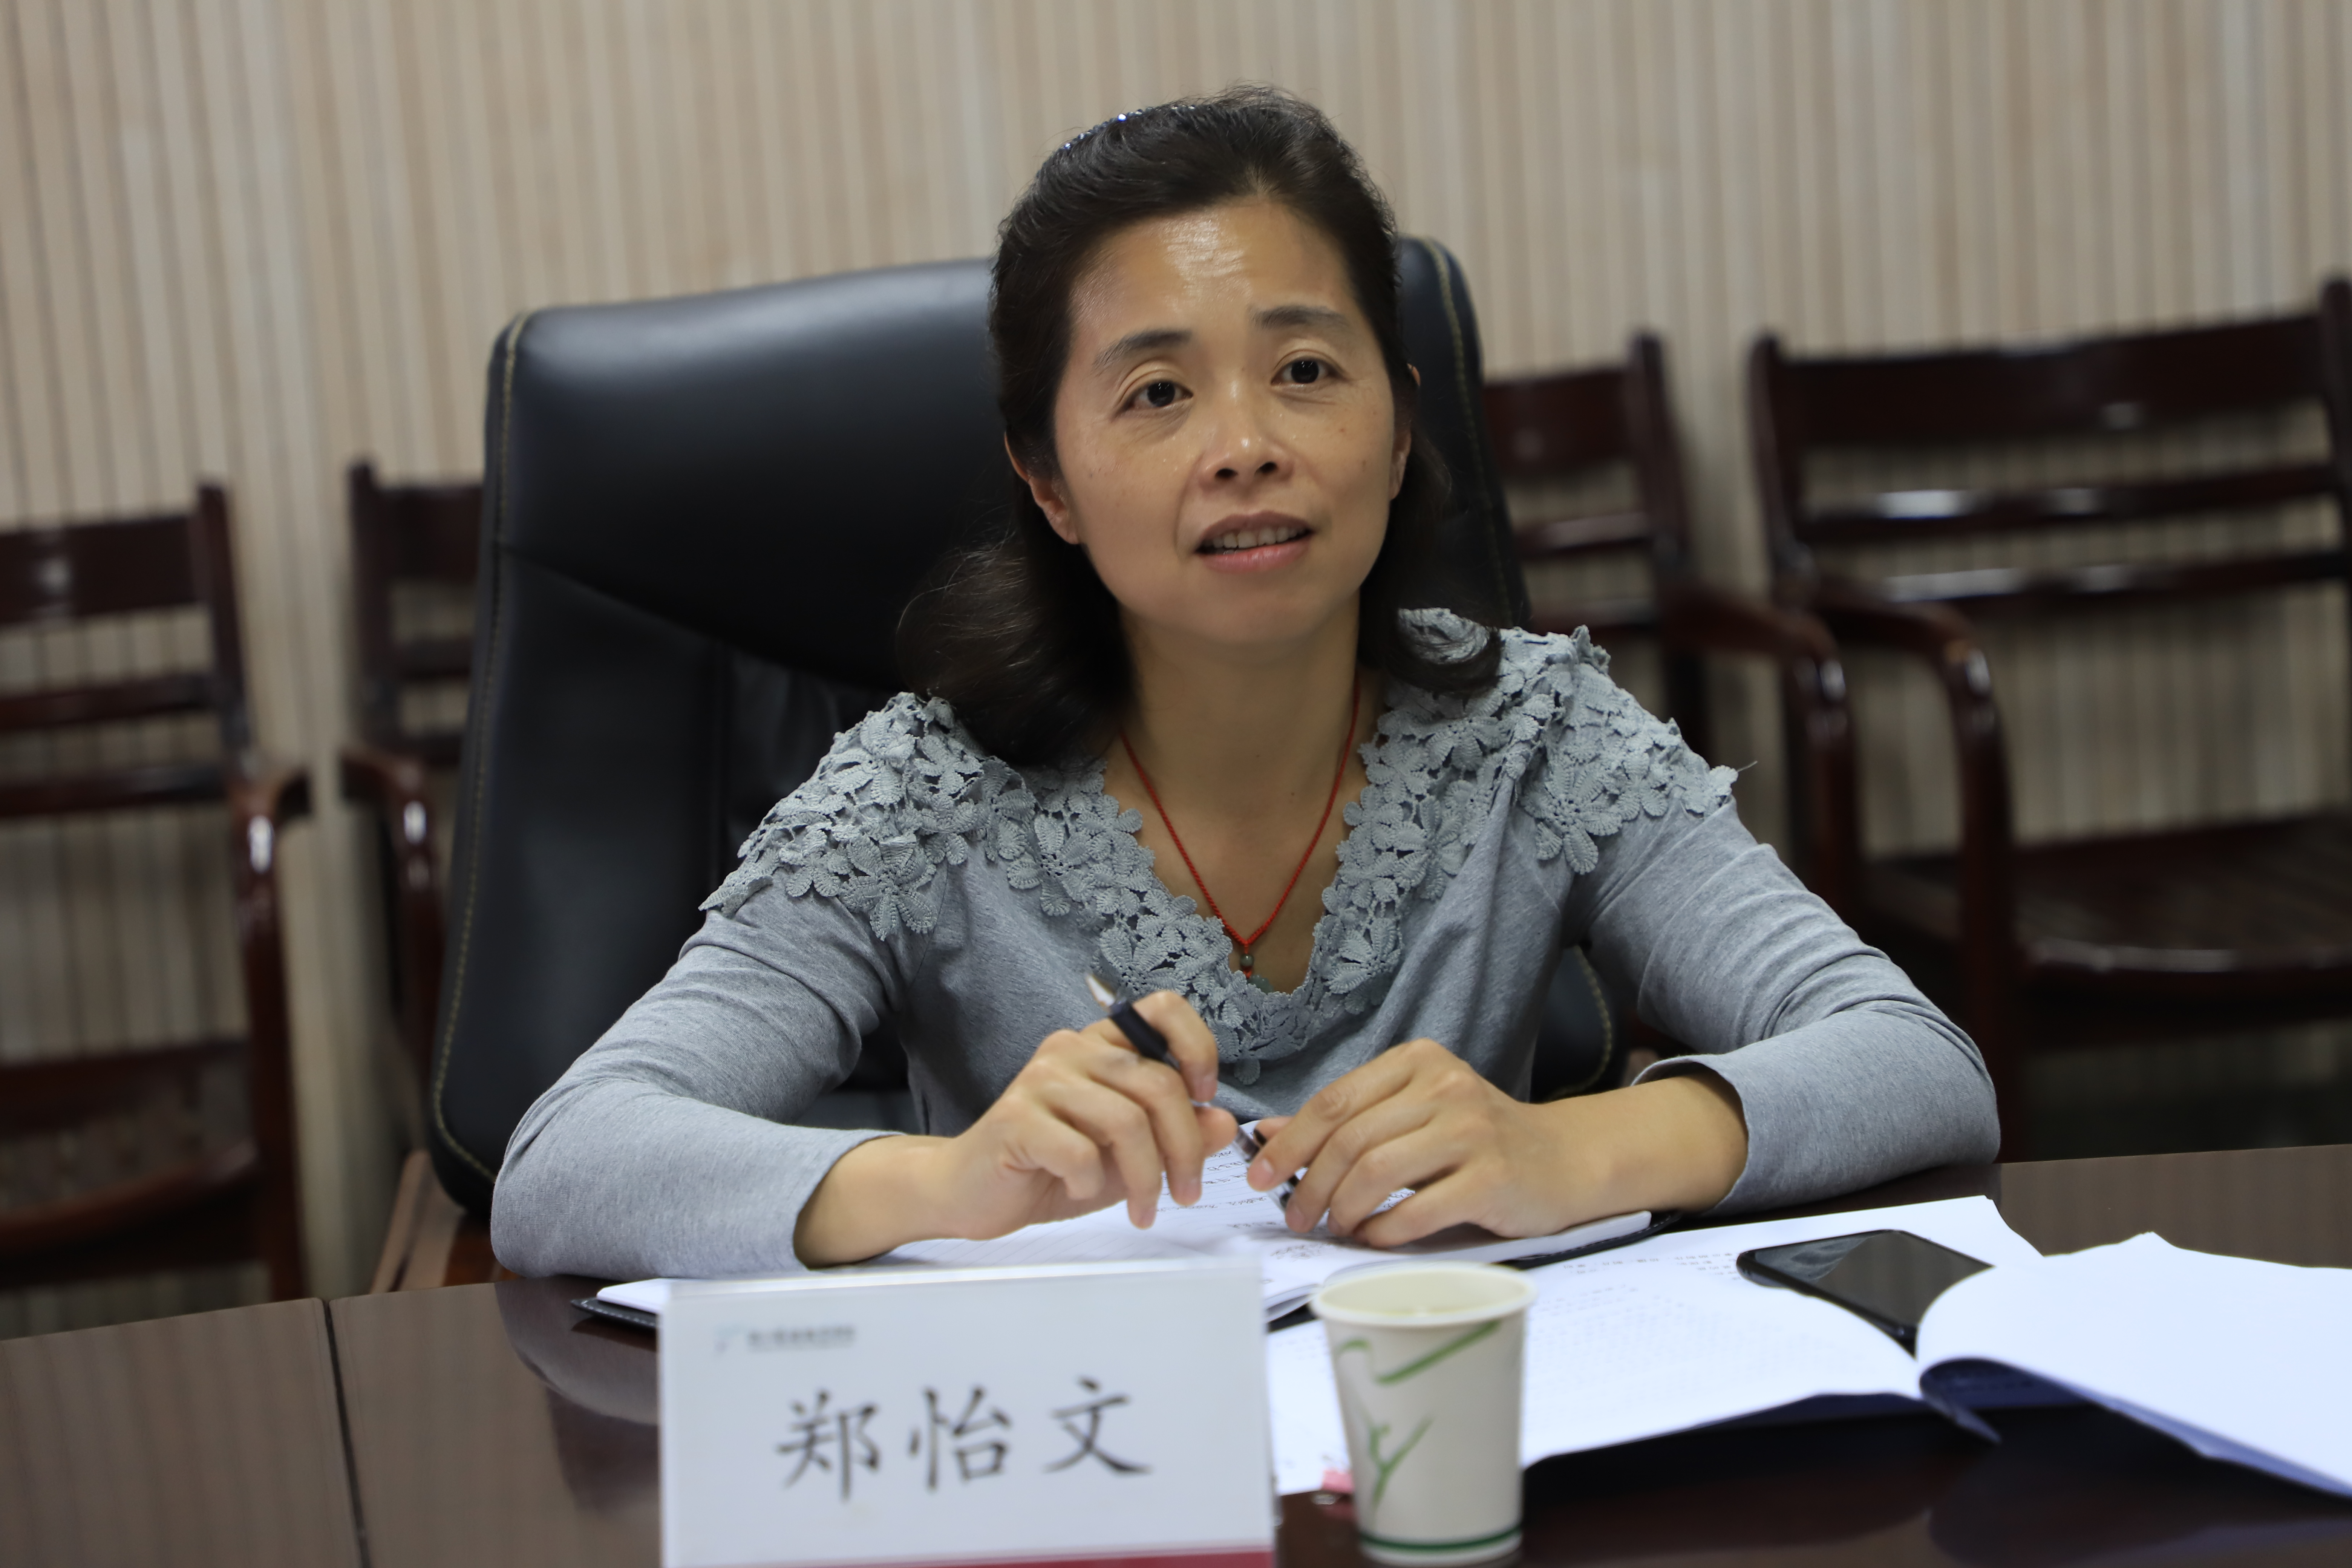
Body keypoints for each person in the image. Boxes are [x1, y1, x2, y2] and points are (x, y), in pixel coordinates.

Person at [492, 87, 1997, 1283]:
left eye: (1306, 371)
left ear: (1398, 435)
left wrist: (1575, 1150)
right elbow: (568, 1162)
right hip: (1087, 1470)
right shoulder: (920, 797)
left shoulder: (1537, 733)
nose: (1246, 446)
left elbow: (1917, 1062)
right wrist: (951, 1183)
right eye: (1157, 392)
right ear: (1049, 481)